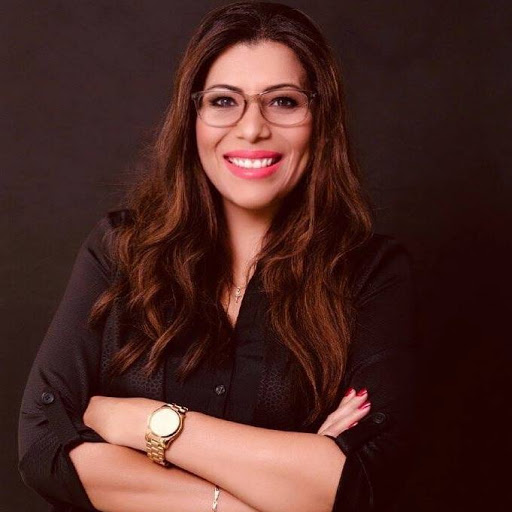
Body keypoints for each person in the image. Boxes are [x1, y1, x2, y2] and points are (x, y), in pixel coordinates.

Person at [17, 2, 419, 511]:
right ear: (192, 118)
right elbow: (45, 447)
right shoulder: (120, 249)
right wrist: (273, 484)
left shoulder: (372, 273)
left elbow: (360, 482)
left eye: (284, 101)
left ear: (321, 118)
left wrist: (141, 422)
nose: (251, 129)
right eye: (224, 101)